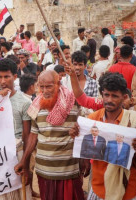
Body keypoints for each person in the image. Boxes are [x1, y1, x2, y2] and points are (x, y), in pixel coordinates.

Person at [69, 72, 136, 200]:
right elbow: (85, 150)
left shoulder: (135, 122)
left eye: (114, 96)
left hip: (126, 190)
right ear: (102, 94)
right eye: (106, 95)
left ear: (124, 97)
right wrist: (77, 135)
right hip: (99, 188)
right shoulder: (92, 120)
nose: (109, 100)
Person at [15, 70, 84, 200]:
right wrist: (24, 161)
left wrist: (84, 160)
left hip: (68, 169)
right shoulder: (36, 105)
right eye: (41, 87)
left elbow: (84, 130)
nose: (45, 91)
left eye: (49, 86)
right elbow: (33, 135)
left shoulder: (73, 102)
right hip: (44, 170)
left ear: (58, 84)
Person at [0, 58, 32, 199]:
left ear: (15, 77)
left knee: (19, 193)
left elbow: (26, 135)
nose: (3, 81)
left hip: (16, 153)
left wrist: (25, 162)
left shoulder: (25, 102)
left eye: (7, 76)